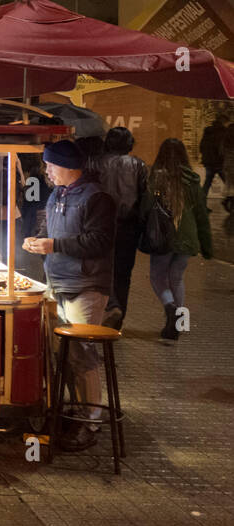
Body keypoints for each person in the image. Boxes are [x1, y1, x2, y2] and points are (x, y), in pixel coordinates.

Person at [22, 140, 115, 452]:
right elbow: (56, 233)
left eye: (51, 165)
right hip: (56, 282)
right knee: (60, 353)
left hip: (85, 286)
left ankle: (90, 421)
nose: (47, 171)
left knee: (81, 355)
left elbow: (98, 241)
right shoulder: (60, 193)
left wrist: (54, 246)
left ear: (68, 166)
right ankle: (70, 411)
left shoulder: (97, 197)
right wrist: (40, 241)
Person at [141, 137, 212, 341]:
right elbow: (202, 215)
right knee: (177, 278)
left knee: (157, 276)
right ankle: (179, 325)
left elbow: (146, 208)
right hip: (187, 238)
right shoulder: (192, 180)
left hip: (163, 238)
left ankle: (170, 307)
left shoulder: (155, 178)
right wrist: (206, 247)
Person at [98, 127, 150, 329]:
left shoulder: (98, 163)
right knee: (123, 274)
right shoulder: (138, 165)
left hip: (101, 224)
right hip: (128, 226)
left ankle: (105, 311)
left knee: (101, 270)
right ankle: (117, 321)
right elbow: (145, 197)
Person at [199, 112, 227, 197]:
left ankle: (201, 204)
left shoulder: (208, 130)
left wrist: (206, 157)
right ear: (222, 121)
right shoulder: (224, 131)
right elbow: (222, 148)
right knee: (229, 182)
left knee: (207, 183)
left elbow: (202, 146)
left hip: (209, 162)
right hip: (219, 162)